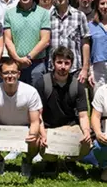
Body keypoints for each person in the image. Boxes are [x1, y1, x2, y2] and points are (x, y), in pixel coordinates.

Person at [34, 47, 92, 177]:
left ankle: (70, 161)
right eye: (59, 62)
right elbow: (37, 115)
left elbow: (83, 115)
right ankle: (51, 162)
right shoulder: (42, 83)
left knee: (86, 142)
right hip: (48, 128)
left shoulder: (77, 86)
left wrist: (86, 132)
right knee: (39, 142)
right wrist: (42, 133)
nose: (63, 67)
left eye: (66, 63)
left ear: (71, 65)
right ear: (53, 63)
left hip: (70, 127)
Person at [0, 58, 42, 179]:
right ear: (0, 75)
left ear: (19, 74)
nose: (10, 76)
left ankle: (27, 161)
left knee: (35, 140)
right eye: (6, 73)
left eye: (13, 72)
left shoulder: (31, 92)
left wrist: (32, 134)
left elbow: (35, 121)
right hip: (1, 130)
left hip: (24, 130)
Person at [3, 0, 51, 85]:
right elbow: (7, 39)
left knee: (37, 94)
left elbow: (45, 40)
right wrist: (18, 59)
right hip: (16, 65)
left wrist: (28, 58)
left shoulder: (43, 13)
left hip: (37, 65)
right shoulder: (9, 14)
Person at [49, 0, 90, 74]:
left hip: (74, 68)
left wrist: (85, 68)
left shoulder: (79, 15)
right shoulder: (48, 16)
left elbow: (85, 43)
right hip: (53, 68)